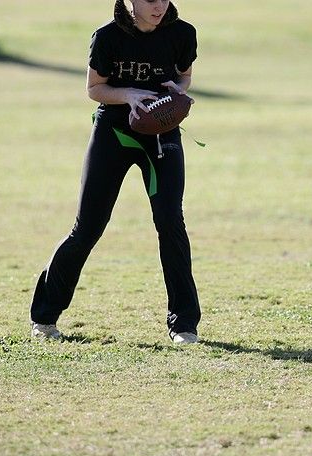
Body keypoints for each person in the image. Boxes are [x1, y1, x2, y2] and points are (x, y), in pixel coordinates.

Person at [29, 0, 201, 344]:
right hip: (114, 132)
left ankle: (184, 324)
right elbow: (95, 89)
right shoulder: (107, 36)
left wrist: (176, 93)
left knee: (170, 220)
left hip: (161, 134)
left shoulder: (183, 33)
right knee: (88, 227)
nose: (159, 6)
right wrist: (127, 94)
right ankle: (45, 318)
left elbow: (184, 77)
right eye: (151, 0)